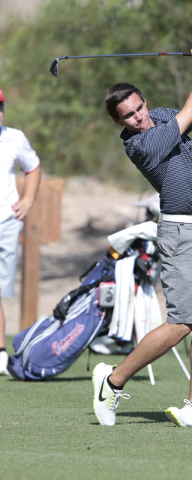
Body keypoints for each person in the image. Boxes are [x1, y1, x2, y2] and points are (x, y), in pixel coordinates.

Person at [92, 46, 192, 427]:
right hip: (182, 233)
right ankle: (113, 380)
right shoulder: (139, 144)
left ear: (144, 102)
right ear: (121, 121)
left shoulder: (163, 117)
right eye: (129, 116)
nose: (138, 117)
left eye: (139, 108)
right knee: (182, 322)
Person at [0, 87, 41, 375]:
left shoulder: (14, 137)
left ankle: (0, 353)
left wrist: (27, 200)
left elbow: (33, 166)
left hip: (6, 222)